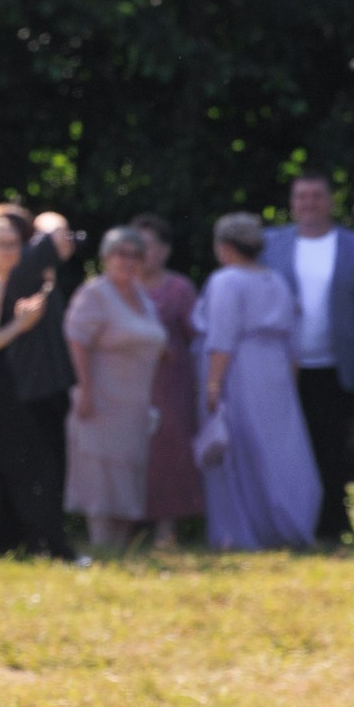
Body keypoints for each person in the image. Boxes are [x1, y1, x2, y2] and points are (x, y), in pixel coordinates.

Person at [261, 174, 354, 546]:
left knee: (333, 450)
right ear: (292, 202)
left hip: (337, 368)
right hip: (285, 369)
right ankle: (292, 524)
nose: (309, 203)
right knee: (289, 450)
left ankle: (333, 526)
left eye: (317, 196)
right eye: (301, 196)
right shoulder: (271, 245)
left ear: (331, 201)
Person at [0, 204, 75, 560]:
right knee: (30, 470)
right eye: (1, 243)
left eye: (14, 244)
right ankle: (55, 550)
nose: (10, 251)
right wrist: (21, 324)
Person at [195, 213, 321, 550]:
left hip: (242, 368)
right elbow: (294, 341)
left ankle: (242, 529)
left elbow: (221, 340)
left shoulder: (226, 282)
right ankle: (290, 520)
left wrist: (211, 386)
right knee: (280, 448)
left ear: (223, 247)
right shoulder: (277, 281)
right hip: (276, 369)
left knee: (240, 447)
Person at [62, 227, 169, 548]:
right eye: (120, 254)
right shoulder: (94, 294)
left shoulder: (142, 297)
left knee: (128, 473)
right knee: (100, 475)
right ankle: (100, 545)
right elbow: (76, 340)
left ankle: (120, 549)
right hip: (100, 398)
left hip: (134, 401)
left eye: (135, 255)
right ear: (106, 257)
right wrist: (85, 389)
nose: (128, 261)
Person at [1, 205, 80, 512]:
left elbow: (61, 239)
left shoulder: (24, 265)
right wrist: (44, 227)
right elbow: (59, 232)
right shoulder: (23, 264)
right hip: (33, 384)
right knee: (43, 465)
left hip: (40, 383)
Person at [134, 214, 203, 548]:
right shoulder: (119, 286)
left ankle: (166, 528)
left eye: (152, 246)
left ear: (165, 250)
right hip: (126, 382)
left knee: (168, 451)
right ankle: (127, 526)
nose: (146, 254)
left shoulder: (180, 289)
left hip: (169, 382)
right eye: (139, 246)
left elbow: (197, 335)